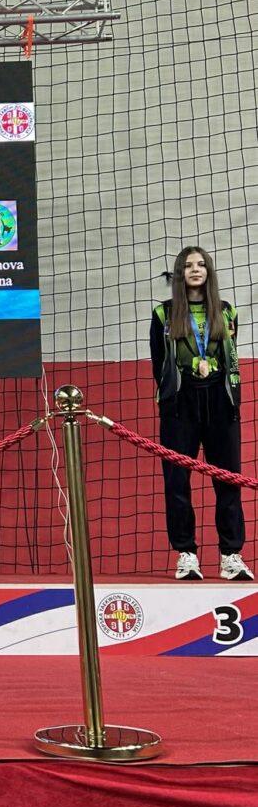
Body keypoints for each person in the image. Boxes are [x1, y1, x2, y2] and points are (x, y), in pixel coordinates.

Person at [150, 246, 253, 581]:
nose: (195, 269)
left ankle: (231, 556)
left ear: (209, 271)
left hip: (220, 403)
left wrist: (230, 395)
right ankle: (187, 554)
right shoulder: (164, 313)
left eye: (201, 264)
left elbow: (230, 357)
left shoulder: (226, 310)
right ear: (180, 273)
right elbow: (159, 365)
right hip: (181, 405)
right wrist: (178, 390)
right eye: (188, 265)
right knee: (177, 481)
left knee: (228, 480)